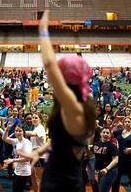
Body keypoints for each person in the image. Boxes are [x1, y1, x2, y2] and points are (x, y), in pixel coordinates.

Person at [18, 10, 96, 191]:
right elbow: (61, 141)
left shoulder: (73, 106)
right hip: (58, 177)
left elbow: (49, 65)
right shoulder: (74, 106)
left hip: (63, 183)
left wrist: (43, 31)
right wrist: (39, 150)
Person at [2, 122, 32, 192]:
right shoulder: (16, 141)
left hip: (24, 172)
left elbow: (28, 158)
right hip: (17, 171)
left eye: (20, 131)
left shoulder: (27, 143)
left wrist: (13, 160)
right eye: (16, 131)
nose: (17, 132)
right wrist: (7, 129)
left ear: (23, 132)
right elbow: (4, 138)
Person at [93, 127, 118, 192]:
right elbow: (94, 157)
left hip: (110, 171)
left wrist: (106, 169)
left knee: (103, 190)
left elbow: (116, 159)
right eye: (103, 132)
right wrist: (95, 168)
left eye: (107, 133)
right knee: (101, 189)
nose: (105, 134)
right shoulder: (96, 144)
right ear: (100, 134)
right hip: (100, 171)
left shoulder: (111, 146)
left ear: (110, 135)